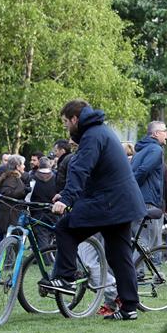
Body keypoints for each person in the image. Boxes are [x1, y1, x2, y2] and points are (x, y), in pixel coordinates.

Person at [41, 99, 147, 321]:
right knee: (119, 255)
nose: (66, 127)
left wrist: (68, 199)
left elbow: (80, 169)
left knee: (65, 229)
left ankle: (66, 277)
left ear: (75, 119)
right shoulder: (100, 132)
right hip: (121, 203)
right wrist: (68, 195)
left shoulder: (92, 136)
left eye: (65, 122)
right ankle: (129, 307)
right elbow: (95, 175)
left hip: (110, 203)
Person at [130, 121, 167, 258]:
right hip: (147, 201)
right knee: (146, 243)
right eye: (165, 131)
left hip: (136, 200)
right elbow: (144, 170)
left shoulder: (139, 151)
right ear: (156, 133)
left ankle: (134, 274)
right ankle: (135, 275)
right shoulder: (155, 150)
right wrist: (134, 187)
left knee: (138, 241)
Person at [28, 156, 58, 247]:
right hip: (54, 211)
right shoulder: (56, 177)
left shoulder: (32, 178)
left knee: (41, 236)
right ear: (49, 166)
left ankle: (46, 259)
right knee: (54, 235)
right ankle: (50, 257)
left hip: (37, 211)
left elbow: (28, 196)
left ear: (39, 165)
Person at [0, 155, 27, 234]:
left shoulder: (13, 177)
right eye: (22, 164)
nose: (24, 166)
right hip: (10, 216)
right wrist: (24, 191)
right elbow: (7, 193)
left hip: (12, 214)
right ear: (17, 166)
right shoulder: (11, 178)